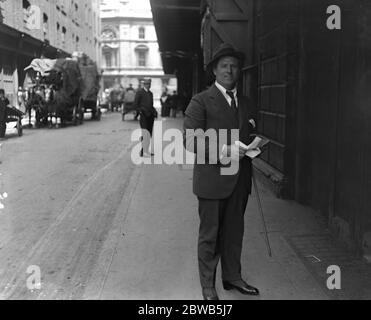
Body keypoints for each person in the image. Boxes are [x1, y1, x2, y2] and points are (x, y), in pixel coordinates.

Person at [183, 43, 259, 300]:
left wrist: (253, 147)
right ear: (214, 70)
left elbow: (251, 133)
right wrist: (225, 150)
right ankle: (207, 286)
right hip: (213, 181)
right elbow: (191, 140)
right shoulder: (201, 101)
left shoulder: (247, 103)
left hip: (240, 180)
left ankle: (232, 277)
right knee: (210, 236)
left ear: (239, 72)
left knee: (234, 233)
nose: (230, 70)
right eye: (224, 66)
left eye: (234, 66)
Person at [133, 78, 157, 157]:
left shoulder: (150, 93)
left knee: (149, 134)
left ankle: (143, 151)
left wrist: (154, 111)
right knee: (145, 133)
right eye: (146, 84)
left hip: (150, 116)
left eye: (149, 84)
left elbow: (151, 105)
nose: (148, 85)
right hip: (143, 115)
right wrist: (140, 112)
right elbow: (135, 104)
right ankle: (144, 151)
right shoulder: (139, 92)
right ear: (144, 84)